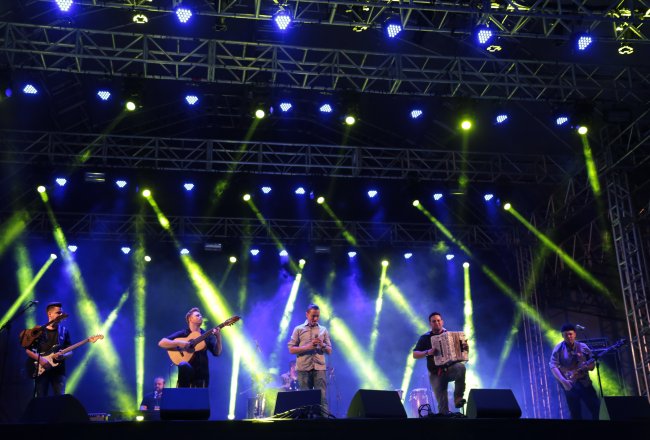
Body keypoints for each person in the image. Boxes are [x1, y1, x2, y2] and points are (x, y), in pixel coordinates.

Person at [412, 312, 468, 414]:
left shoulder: (450, 335)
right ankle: (444, 417)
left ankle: (458, 398)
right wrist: (428, 352)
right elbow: (415, 354)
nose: (437, 323)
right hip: (435, 373)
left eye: (438, 320)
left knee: (461, 367)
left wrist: (464, 349)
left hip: (450, 369)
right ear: (430, 323)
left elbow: (461, 354)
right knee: (443, 407)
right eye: (434, 321)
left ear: (442, 322)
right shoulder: (425, 337)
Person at [158, 307, 222, 388]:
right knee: (183, 365)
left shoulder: (205, 335)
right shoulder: (184, 333)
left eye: (201, 315)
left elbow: (217, 352)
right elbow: (162, 343)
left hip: (202, 377)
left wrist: (218, 337)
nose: (201, 317)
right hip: (186, 377)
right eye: (197, 315)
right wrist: (180, 343)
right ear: (190, 319)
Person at [549, 323, 600, 420]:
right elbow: (553, 366)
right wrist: (563, 381)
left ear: (575, 334)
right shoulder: (558, 348)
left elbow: (592, 365)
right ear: (562, 335)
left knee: (596, 408)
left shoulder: (583, 346)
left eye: (570, 334)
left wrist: (586, 367)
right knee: (575, 413)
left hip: (585, 383)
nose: (569, 336)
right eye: (566, 334)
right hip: (570, 384)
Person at [288, 304, 332, 412]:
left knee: (322, 398)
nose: (315, 318)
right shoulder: (298, 329)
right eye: (313, 316)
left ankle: (324, 421)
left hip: (319, 368)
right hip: (303, 369)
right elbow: (291, 349)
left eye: (318, 316)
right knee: (304, 400)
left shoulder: (323, 330)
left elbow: (329, 350)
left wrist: (322, 344)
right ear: (307, 314)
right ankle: (305, 421)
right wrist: (307, 347)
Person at [24, 302, 72, 397]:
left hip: (58, 371)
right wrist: (42, 360)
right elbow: (28, 350)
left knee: (60, 399)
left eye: (62, 313)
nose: (61, 315)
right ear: (50, 314)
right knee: (41, 399)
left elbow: (70, 351)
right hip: (41, 370)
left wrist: (63, 356)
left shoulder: (64, 331)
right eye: (58, 313)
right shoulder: (39, 331)